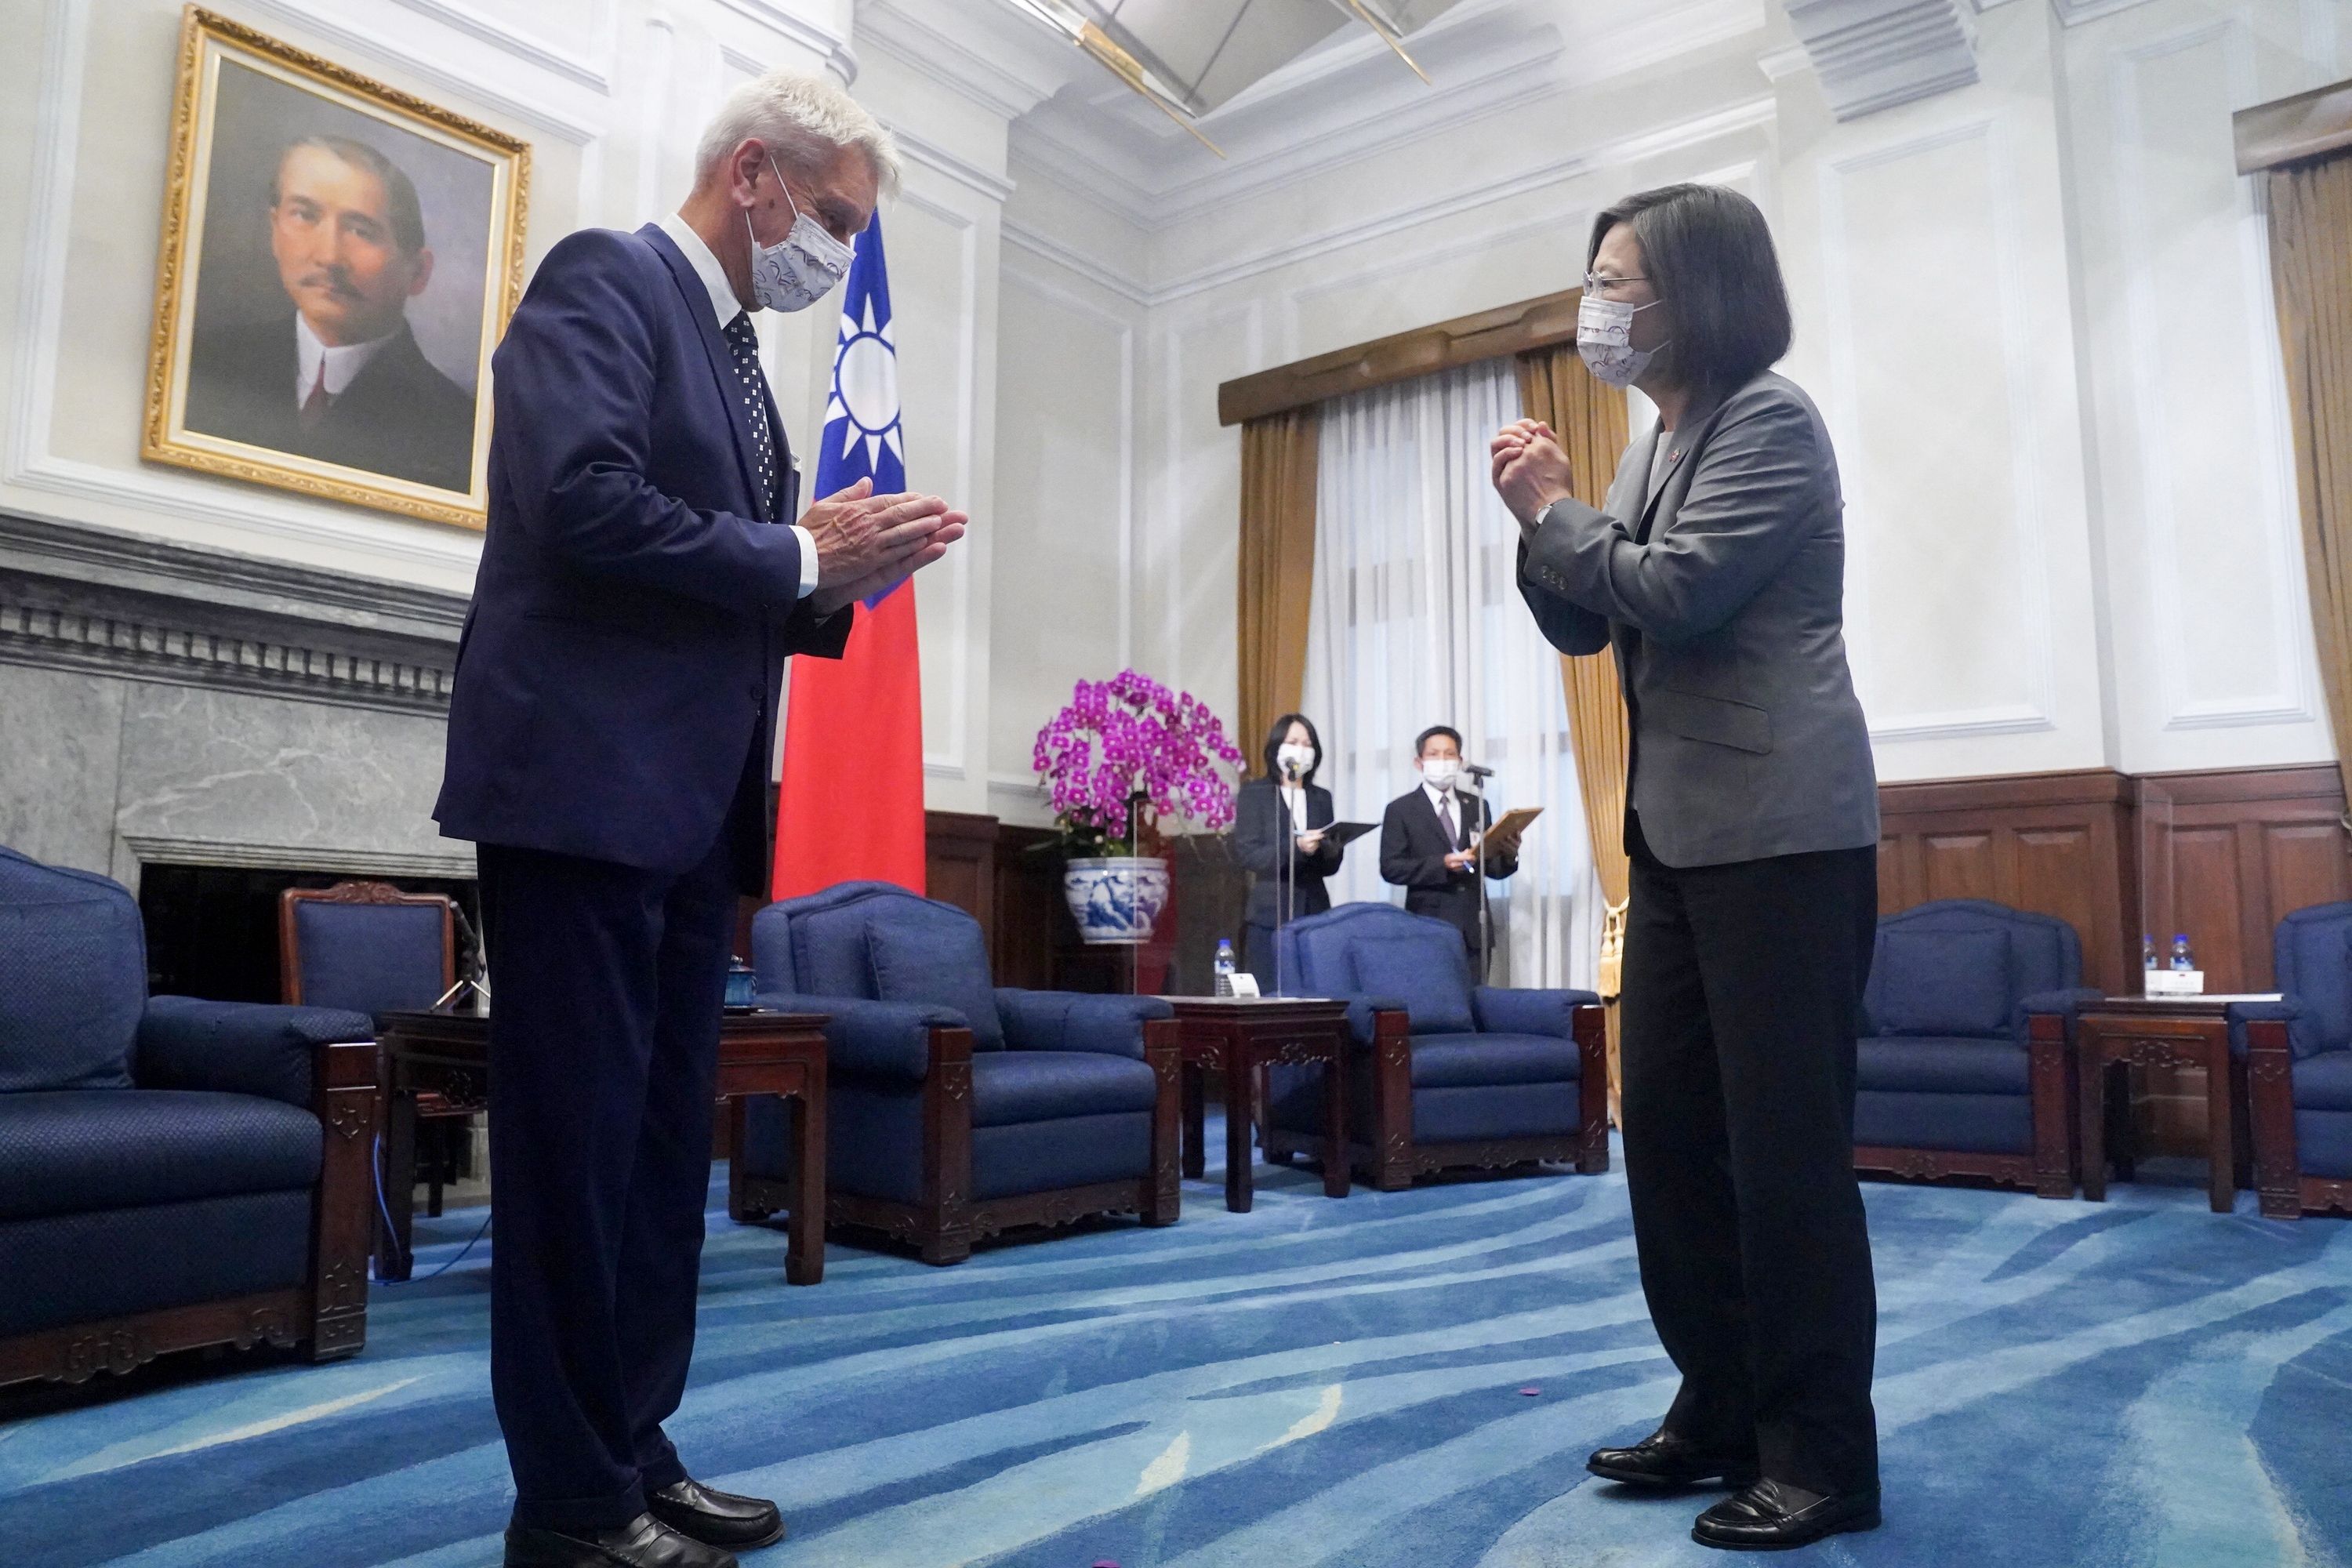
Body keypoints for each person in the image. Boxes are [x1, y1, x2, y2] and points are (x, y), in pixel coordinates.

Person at [434, 71, 967, 1568]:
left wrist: (836, 583)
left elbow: (729, 578)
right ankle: (570, 1506)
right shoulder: (605, 279)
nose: (836, 257)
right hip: (583, 794)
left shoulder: (735, 356)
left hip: (686, 809)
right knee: (574, 1158)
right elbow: (583, 500)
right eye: (837, 221)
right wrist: (798, 548)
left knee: (663, 1155)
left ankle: (634, 1445)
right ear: (756, 175)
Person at [1492, 183, 1882, 1552]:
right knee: (1664, 1139)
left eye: (1619, 280)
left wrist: (1560, 514)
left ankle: (1822, 1454)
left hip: (1785, 833)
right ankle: (1718, 1406)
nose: (1599, 305)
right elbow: (1596, 624)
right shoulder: (1655, 441)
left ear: (1697, 293)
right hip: (1674, 838)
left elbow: (1680, 590)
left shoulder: (1770, 420)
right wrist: (1539, 528)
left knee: (1784, 1159)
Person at [183, 135, 477, 492]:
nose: (329, 257)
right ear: (275, 229)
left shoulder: (457, 427)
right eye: (305, 215)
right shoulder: (204, 362)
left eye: (360, 231)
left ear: (417, 272)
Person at [1378, 724, 1517, 974]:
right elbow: (1391, 868)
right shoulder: (1401, 809)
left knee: (1475, 1001)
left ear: (1460, 761)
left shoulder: (1476, 805)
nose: (1442, 760)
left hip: (1474, 926)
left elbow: (1492, 868)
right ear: (1419, 762)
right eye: (1433, 754)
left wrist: (1509, 853)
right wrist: (1441, 864)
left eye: (1449, 754)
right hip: (1428, 925)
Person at [1229, 713, 1347, 993]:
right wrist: (1296, 848)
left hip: (1315, 908)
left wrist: (1331, 846)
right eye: (1293, 742)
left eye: (1307, 744)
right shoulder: (1255, 793)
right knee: (1272, 991)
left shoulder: (1321, 797)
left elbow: (1330, 867)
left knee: (1315, 991)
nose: (1301, 749)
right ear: (1276, 748)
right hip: (1271, 911)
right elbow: (1248, 854)